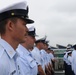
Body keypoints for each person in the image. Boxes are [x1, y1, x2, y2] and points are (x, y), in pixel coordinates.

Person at [0, 0, 34, 75]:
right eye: (24, 24)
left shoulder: (14, 55)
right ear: (10, 25)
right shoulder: (1, 60)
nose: (27, 29)